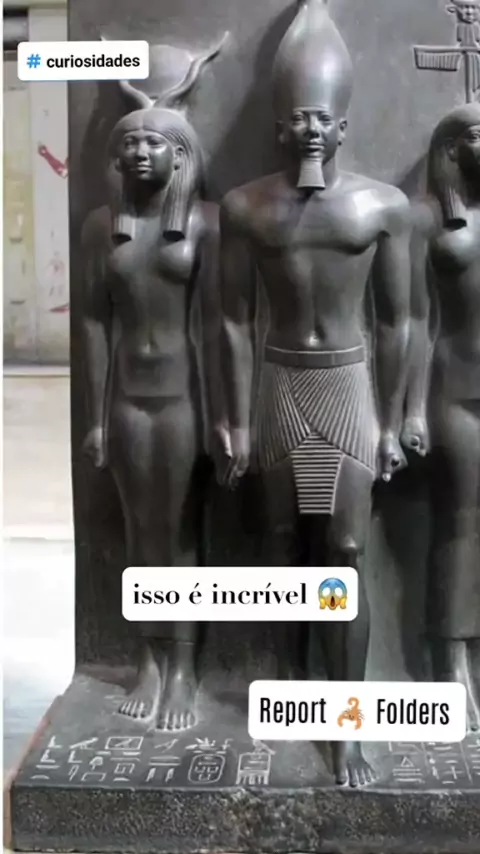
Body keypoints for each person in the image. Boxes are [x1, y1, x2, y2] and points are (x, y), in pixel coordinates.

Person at [215, 0, 411, 787]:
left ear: (342, 125)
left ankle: (345, 722)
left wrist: (396, 419)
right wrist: (233, 419)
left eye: (320, 119)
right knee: (284, 547)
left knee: (346, 553)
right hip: (279, 385)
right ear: (278, 126)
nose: (309, 130)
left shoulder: (379, 207)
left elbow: (399, 321)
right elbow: (232, 319)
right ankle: (293, 695)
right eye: (297, 118)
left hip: (347, 389)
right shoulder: (246, 208)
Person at [81, 53, 223, 732]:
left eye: (154, 143)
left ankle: (185, 666)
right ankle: (148, 655)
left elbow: (220, 327)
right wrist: (95, 418)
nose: (140, 152)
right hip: (127, 400)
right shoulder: (100, 229)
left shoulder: (205, 224)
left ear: (181, 155)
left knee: (179, 531)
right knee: (140, 532)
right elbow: (92, 323)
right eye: (131, 142)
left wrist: (224, 417)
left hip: (184, 400)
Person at [402, 102, 480, 731]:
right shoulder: (427, 219)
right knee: (461, 524)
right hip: (454, 391)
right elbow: (415, 321)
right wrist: (410, 410)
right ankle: (451, 657)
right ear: (453, 149)